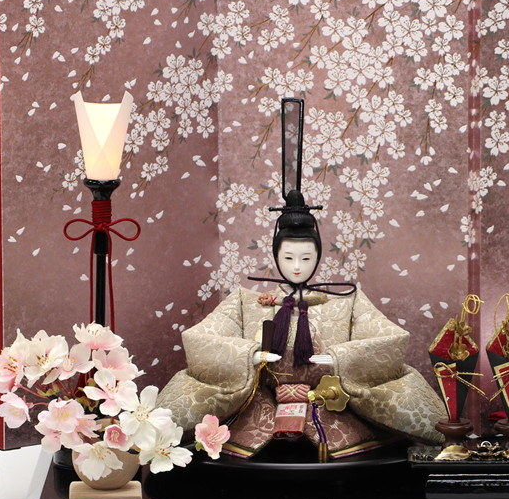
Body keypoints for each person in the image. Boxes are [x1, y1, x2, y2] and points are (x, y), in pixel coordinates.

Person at [156, 189, 446, 460]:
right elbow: (201, 339)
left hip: (330, 404)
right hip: (259, 406)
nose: (297, 266)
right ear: (276, 256)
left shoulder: (347, 301)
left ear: (317, 257)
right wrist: (247, 356)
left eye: (306, 257)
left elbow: (391, 340)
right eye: (288, 257)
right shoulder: (246, 301)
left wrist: (341, 358)